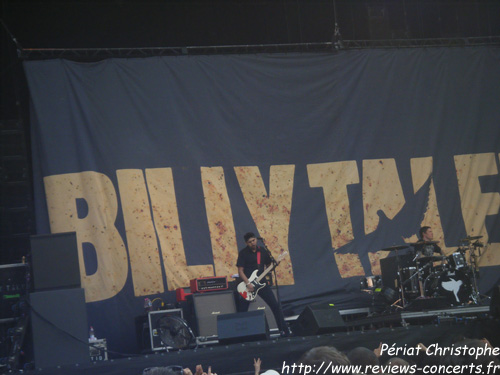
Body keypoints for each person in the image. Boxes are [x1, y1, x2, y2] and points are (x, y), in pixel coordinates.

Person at [236, 232, 290, 336]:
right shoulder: (243, 253)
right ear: (246, 243)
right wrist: (248, 283)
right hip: (248, 286)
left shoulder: (263, 251)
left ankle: (284, 331)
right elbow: (240, 271)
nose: (253, 243)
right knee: (242, 310)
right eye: (250, 242)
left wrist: (275, 264)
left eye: (254, 240)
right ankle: (239, 335)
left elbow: (269, 266)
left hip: (262, 283)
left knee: (275, 305)